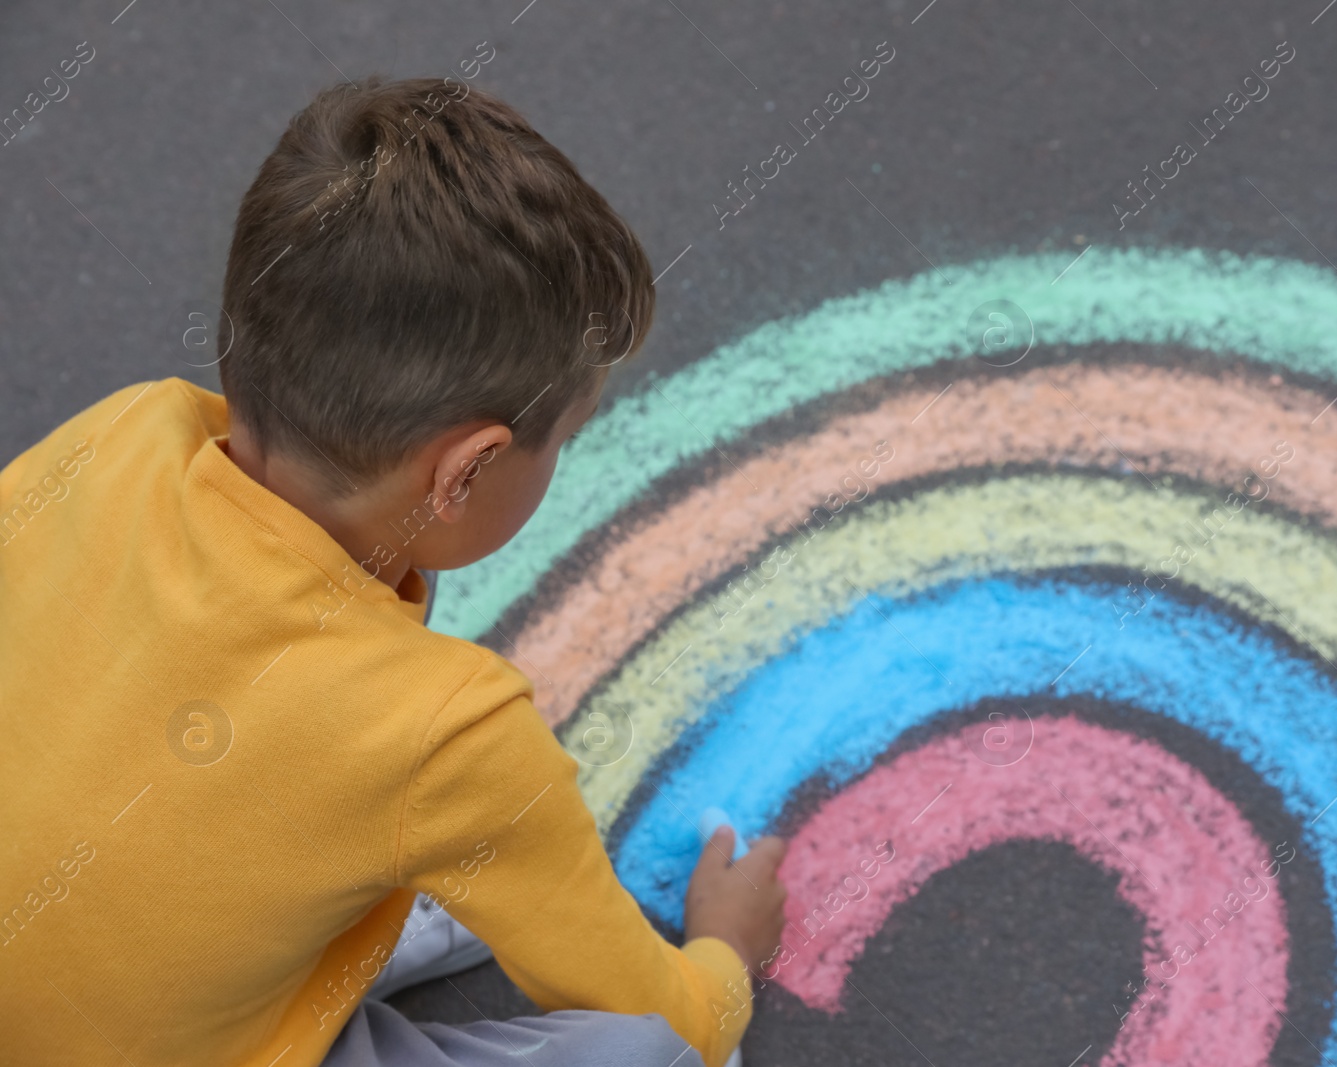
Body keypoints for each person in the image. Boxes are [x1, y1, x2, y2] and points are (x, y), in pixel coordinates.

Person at [0, 76, 786, 1067]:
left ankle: (344, 895)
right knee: (647, 1052)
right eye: (563, 439)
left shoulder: (122, 430)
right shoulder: (450, 730)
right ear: (465, 471)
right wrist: (724, 950)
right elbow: (673, 1017)